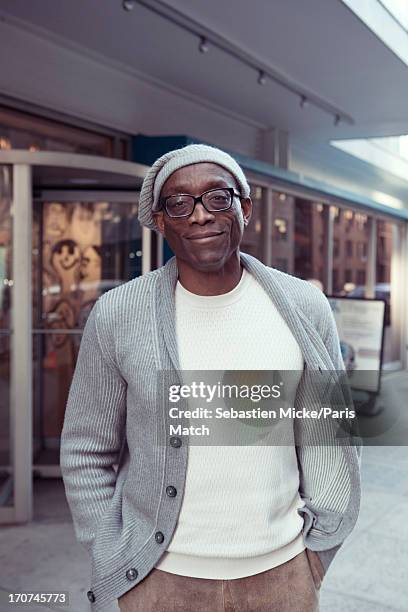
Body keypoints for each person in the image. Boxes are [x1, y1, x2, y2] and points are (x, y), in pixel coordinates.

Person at [60, 144, 361, 612]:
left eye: (218, 197)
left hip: (281, 579)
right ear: (160, 221)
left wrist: (315, 556)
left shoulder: (304, 307)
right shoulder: (119, 315)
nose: (199, 215)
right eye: (179, 203)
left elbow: (329, 433)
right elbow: (85, 449)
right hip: (158, 582)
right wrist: (111, 551)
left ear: (245, 208)